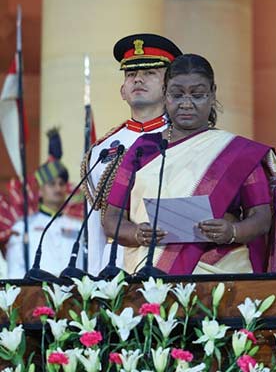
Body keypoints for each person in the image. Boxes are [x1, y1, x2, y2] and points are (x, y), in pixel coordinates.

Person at [102, 53, 276, 275]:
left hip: (220, 275)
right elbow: (112, 218)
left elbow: (261, 218)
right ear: (165, 94)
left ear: (213, 94)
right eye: (177, 94)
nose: (186, 104)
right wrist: (136, 234)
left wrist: (232, 231)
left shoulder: (238, 152)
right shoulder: (142, 149)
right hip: (149, 276)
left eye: (198, 95)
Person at [82, 33, 182, 275]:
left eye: (150, 73)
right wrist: (93, 278)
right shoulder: (101, 149)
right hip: (113, 266)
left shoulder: (184, 139)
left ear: (168, 85)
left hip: (168, 261)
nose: (138, 79)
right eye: (131, 74)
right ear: (123, 90)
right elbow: (95, 223)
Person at [7, 129, 82, 278]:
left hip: (74, 296)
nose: (58, 188)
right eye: (52, 184)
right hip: (36, 295)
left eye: (61, 184)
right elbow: (15, 270)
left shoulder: (78, 227)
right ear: (40, 190)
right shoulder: (23, 227)